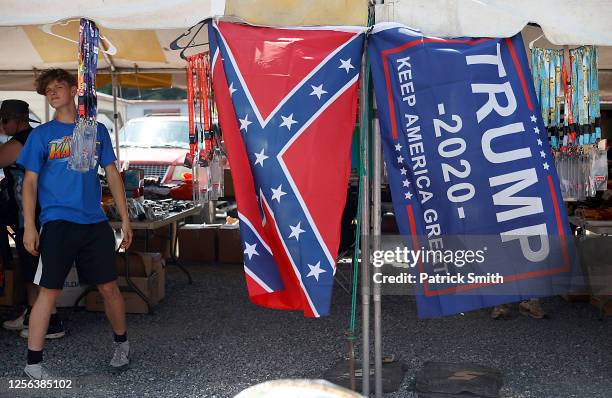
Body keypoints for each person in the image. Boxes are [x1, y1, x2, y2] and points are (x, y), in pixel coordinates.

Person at [18, 69, 133, 379]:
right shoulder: (41, 135)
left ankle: (122, 345)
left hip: (95, 223)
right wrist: (29, 224)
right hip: (56, 222)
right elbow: (28, 183)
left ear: (73, 89)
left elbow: (112, 174)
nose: (53, 93)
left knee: (109, 287)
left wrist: (125, 219)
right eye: (48, 90)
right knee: (49, 292)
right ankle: (33, 364)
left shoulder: (95, 130)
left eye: (58, 87)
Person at [0, 100, 65, 339]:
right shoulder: (33, 136)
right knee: (29, 267)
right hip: (29, 212)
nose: (2, 126)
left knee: (37, 267)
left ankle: (52, 321)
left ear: (14, 121)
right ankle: (32, 313)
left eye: (4, 121)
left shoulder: (21, 142)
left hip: (34, 213)